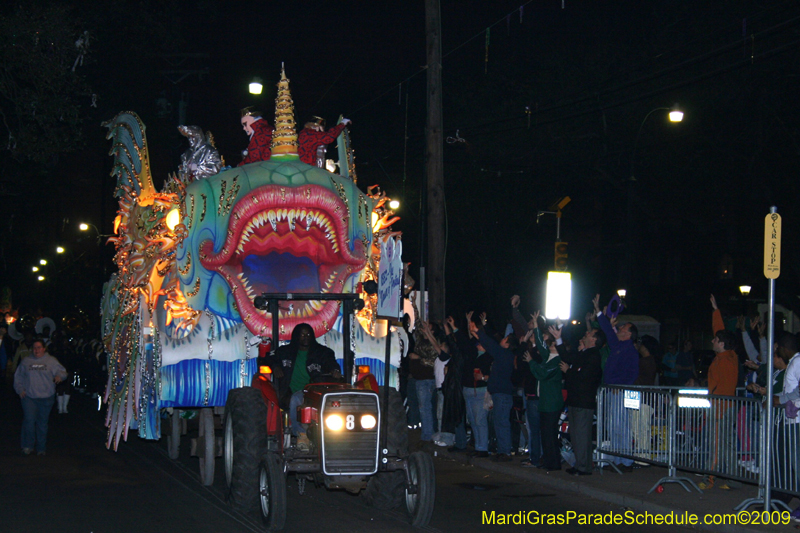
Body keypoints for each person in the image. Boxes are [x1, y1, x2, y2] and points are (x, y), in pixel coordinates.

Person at [266, 323, 341, 451]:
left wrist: (335, 370)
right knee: (296, 399)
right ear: (296, 336)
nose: (305, 337)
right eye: (302, 335)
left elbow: (331, 363)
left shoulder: (323, 352)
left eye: (308, 334)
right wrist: (275, 367)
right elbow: (268, 358)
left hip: (316, 392)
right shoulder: (284, 352)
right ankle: (302, 435)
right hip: (292, 392)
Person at [593, 293, 639, 472]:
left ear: (629, 334)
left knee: (622, 427)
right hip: (612, 391)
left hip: (619, 392)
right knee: (614, 426)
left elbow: (632, 374)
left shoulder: (629, 351)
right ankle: (617, 459)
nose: (618, 328)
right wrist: (598, 312)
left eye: (622, 328)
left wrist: (619, 386)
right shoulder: (619, 346)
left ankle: (626, 462)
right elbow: (606, 328)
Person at [698, 295, 739, 490]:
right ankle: (732, 479)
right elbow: (720, 332)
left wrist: (714, 407)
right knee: (727, 444)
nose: (713, 340)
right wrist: (716, 311)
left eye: (715, 340)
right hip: (727, 406)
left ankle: (710, 478)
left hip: (721, 407)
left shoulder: (723, 361)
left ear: (721, 344)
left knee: (716, 444)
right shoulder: (730, 355)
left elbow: (720, 388)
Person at [559, 326, 605, 476]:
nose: (585, 334)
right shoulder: (584, 354)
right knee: (576, 435)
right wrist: (559, 337)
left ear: (594, 339)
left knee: (581, 435)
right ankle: (579, 464)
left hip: (583, 401)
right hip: (576, 400)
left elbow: (584, 378)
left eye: (589, 333)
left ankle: (584, 466)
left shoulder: (593, 356)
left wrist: (569, 371)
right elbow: (567, 357)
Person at [473, 312, 517, 462]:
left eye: (505, 339)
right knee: (499, 421)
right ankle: (502, 449)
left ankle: (505, 451)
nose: (502, 340)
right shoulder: (504, 355)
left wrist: (479, 332)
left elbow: (491, 344)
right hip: (500, 393)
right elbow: (492, 340)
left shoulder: (504, 355)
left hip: (503, 394)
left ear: (508, 344)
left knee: (502, 422)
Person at [14, 338, 67, 455]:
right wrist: (20, 389)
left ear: (43, 349)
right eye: (34, 348)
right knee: (29, 421)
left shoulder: (51, 361)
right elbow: (18, 377)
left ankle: (41, 448)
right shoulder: (26, 361)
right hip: (29, 397)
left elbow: (62, 371)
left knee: (42, 423)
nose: (36, 350)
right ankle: (28, 445)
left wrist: (59, 376)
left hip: (46, 397)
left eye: (39, 347)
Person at [525, 324, 564, 471]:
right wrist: (536, 327)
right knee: (546, 434)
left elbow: (542, 373)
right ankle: (549, 462)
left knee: (549, 435)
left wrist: (531, 362)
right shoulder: (549, 358)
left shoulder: (556, 361)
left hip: (551, 403)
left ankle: (553, 464)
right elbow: (541, 347)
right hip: (546, 402)